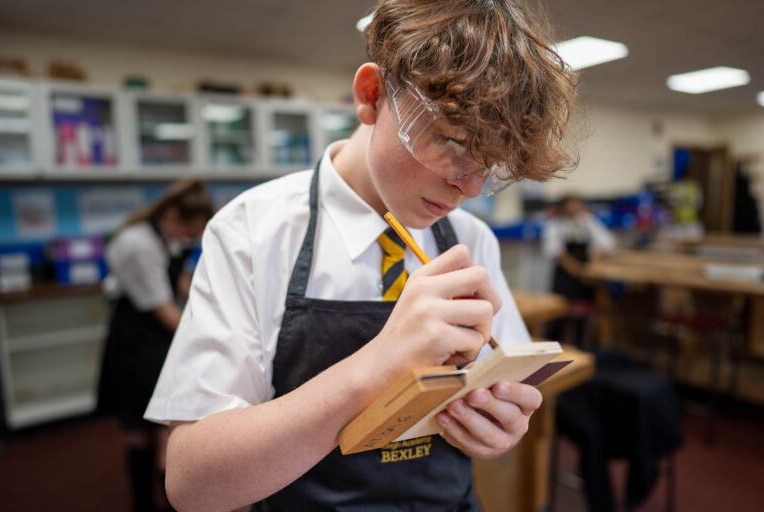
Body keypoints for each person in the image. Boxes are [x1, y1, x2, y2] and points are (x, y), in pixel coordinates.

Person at [145, 1, 578, 510]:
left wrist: (500, 425)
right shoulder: (253, 231)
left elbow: (505, 383)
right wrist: (380, 362)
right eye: (454, 143)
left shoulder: (469, 238)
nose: (468, 187)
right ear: (371, 96)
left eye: (492, 165)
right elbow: (192, 483)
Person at [97, 179, 215, 512]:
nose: (189, 238)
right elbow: (162, 307)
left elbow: (180, 282)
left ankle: (170, 499)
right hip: (136, 340)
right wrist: (208, 334)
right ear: (173, 214)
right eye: (189, 230)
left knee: (165, 423)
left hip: (159, 337)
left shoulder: (165, 237)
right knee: (139, 428)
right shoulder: (136, 244)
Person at [542, 194, 615, 345]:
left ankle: (582, 351)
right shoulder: (555, 225)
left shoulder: (587, 222)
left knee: (583, 319)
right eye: (571, 205)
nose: (575, 209)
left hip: (585, 281)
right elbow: (555, 252)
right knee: (559, 317)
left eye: (578, 205)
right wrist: (577, 270)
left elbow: (607, 243)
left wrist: (592, 264)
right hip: (564, 279)